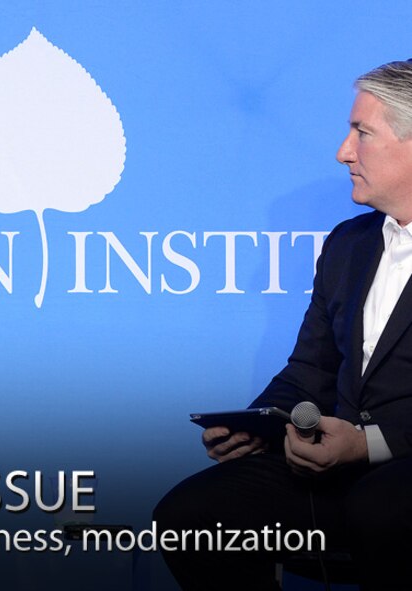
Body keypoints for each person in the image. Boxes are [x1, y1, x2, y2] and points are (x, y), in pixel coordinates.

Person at [155, 60, 412, 591]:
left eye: (362, 133)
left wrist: (369, 445)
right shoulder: (350, 244)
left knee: (380, 509)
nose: (343, 151)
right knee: (192, 517)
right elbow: (311, 371)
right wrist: (258, 426)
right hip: (342, 469)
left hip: (397, 472)